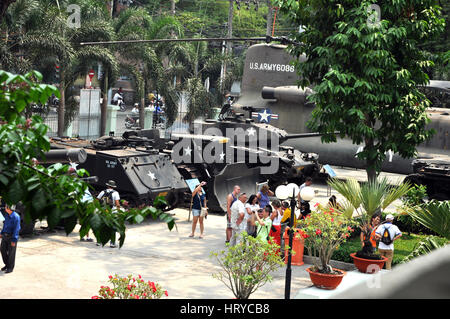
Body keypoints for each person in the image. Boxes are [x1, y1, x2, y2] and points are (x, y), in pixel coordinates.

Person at [97, 180, 121, 248]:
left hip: (104, 211)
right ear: (113, 187)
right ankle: (112, 243)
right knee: (112, 228)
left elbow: (97, 200)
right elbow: (117, 203)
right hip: (112, 212)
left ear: (107, 185)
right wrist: (118, 211)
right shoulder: (115, 193)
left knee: (101, 227)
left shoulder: (102, 192)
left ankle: (99, 242)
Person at [1, 204, 20, 273]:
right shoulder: (7, 215)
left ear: (9, 209)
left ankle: (10, 267)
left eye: (6, 207)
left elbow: (16, 229)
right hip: (4, 236)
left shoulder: (16, 217)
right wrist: (1, 233)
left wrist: (14, 240)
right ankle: (7, 264)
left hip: (12, 237)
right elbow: (5, 225)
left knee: (11, 253)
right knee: (2, 250)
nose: (5, 208)